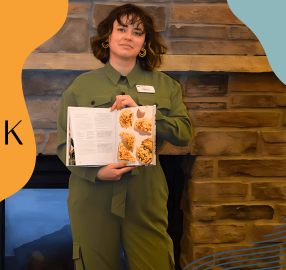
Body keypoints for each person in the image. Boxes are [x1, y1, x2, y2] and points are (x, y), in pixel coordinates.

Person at [56, 4, 192, 270]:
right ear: (108, 36)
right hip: (93, 193)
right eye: (121, 29)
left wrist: (145, 115)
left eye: (137, 31)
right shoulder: (81, 87)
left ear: (144, 43)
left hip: (146, 193)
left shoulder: (167, 86)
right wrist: (96, 173)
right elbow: (64, 145)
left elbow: (184, 134)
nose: (128, 35)